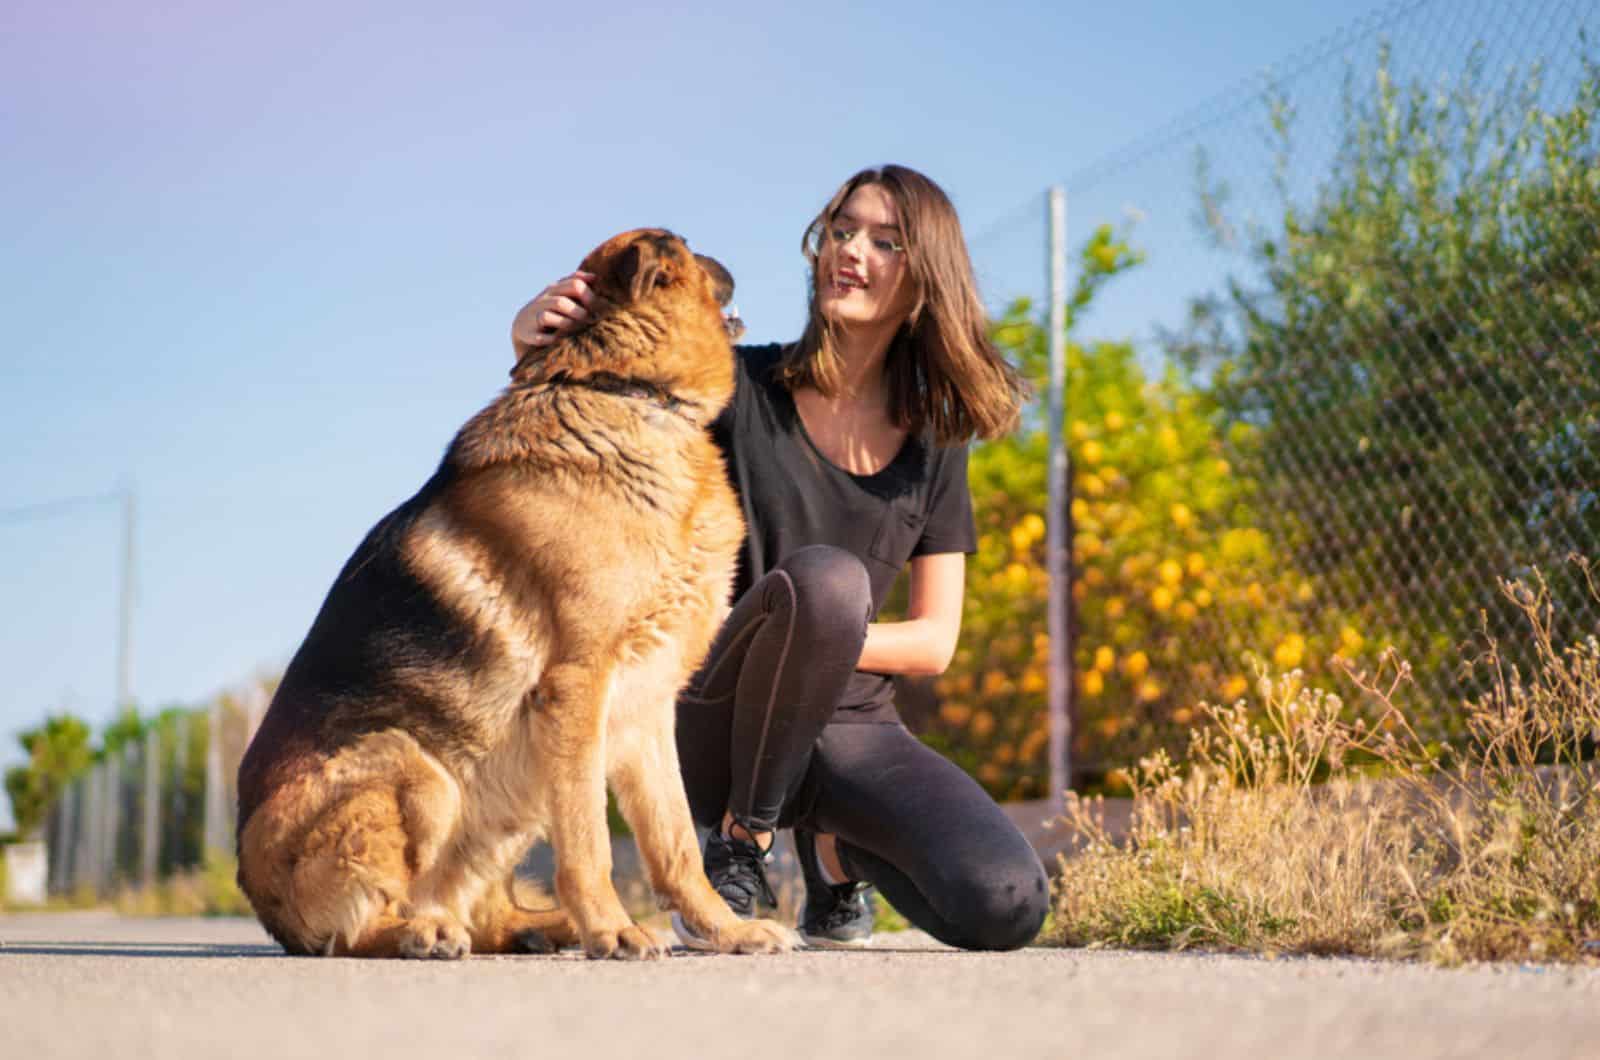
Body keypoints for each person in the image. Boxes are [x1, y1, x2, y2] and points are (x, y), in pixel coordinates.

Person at [510, 165, 1050, 951]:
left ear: (924, 278)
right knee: (828, 582)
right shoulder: (735, 383)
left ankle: (832, 854)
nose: (850, 252)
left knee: (1005, 904)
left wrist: (814, 642)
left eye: (884, 241)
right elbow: (587, 425)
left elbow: (934, 641)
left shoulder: (936, 441)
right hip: (715, 710)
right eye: (840, 231)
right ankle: (740, 845)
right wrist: (527, 340)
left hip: (854, 722)